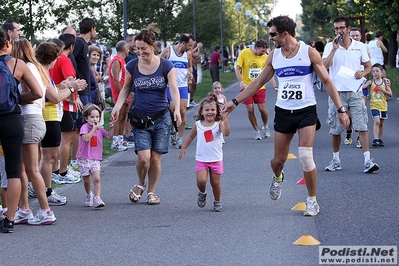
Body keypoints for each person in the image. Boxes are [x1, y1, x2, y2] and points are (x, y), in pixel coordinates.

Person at [223, 15, 350, 216]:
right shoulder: (274, 56)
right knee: (278, 161)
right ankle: (278, 176)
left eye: (273, 34)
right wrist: (235, 102)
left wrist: (341, 109)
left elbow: (326, 81)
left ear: (285, 33)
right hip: (283, 112)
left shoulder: (308, 52)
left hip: (306, 110)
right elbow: (257, 84)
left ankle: (312, 201)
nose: (271, 38)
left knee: (306, 156)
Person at [111, 23, 181, 205]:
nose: (139, 52)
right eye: (136, 48)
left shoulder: (166, 65)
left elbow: (173, 89)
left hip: (162, 117)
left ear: (152, 46)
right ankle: (141, 183)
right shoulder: (132, 65)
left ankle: (151, 191)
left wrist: (178, 110)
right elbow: (125, 89)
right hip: (140, 117)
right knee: (143, 158)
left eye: (143, 48)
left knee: (156, 160)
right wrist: (117, 107)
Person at [0, 28, 44, 232]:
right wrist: (15, 98)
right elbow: (36, 92)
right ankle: (9, 219)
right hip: (10, 119)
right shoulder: (17, 64)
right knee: (14, 170)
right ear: (8, 43)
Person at [323, 17, 379, 174]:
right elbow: (324, 67)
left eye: (341, 28)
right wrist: (334, 49)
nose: (338, 31)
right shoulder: (329, 46)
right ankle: (336, 159)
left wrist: (363, 72)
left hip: (355, 91)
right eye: (336, 28)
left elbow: (368, 67)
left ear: (348, 29)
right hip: (336, 92)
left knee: (361, 125)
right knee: (335, 128)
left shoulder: (359, 46)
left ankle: (368, 160)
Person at [179, 93, 230, 212]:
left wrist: (225, 120)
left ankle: (217, 201)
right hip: (201, 159)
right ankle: (202, 192)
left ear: (217, 111)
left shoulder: (219, 124)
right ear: (202, 112)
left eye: (213, 109)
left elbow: (226, 133)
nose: (210, 112)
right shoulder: (198, 125)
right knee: (201, 181)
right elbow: (191, 136)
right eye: (207, 110)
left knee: (215, 183)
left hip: (216, 158)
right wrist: (184, 147)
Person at [50, 33, 86, 181]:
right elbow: (70, 81)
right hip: (65, 103)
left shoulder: (52, 60)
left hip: (55, 102)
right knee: (67, 139)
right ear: (71, 47)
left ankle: (56, 169)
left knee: (57, 140)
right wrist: (74, 98)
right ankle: (62, 171)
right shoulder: (64, 60)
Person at [235, 39, 277, 140]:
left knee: (262, 109)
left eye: (265, 51)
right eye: (262, 51)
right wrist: (241, 82)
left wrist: (275, 86)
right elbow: (237, 68)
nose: (264, 53)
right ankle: (256, 130)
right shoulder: (245, 53)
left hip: (260, 87)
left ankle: (265, 126)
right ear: (256, 48)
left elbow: (269, 74)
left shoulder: (266, 57)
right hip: (247, 87)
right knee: (250, 109)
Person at [76, 104, 114, 208]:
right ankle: (89, 194)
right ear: (86, 118)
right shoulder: (85, 127)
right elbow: (86, 138)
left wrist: (111, 127)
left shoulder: (100, 129)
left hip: (95, 159)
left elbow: (109, 136)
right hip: (84, 158)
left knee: (97, 179)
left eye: (97, 117)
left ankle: (97, 198)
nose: (95, 119)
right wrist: (94, 129)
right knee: (87, 180)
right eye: (92, 117)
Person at [160, 33, 194, 149]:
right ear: (183, 43)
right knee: (172, 110)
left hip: (183, 86)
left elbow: (190, 66)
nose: (191, 48)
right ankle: (173, 130)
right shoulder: (167, 51)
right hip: (170, 86)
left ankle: (180, 138)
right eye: (189, 45)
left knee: (183, 111)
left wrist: (190, 73)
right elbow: (158, 64)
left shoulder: (188, 54)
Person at [361, 63, 392, 147]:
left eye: (377, 71)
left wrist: (382, 90)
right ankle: (375, 138)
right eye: (373, 71)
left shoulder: (385, 82)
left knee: (381, 122)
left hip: (383, 105)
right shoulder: (371, 82)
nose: (375, 73)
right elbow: (362, 87)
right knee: (377, 121)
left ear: (382, 73)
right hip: (374, 105)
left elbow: (390, 94)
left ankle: (379, 138)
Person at [108, 40, 131, 151]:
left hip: (124, 92)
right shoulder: (116, 61)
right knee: (119, 117)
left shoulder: (122, 60)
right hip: (119, 93)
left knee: (123, 117)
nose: (129, 50)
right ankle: (116, 142)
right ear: (124, 49)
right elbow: (116, 79)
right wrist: (123, 94)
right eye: (127, 47)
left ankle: (121, 140)